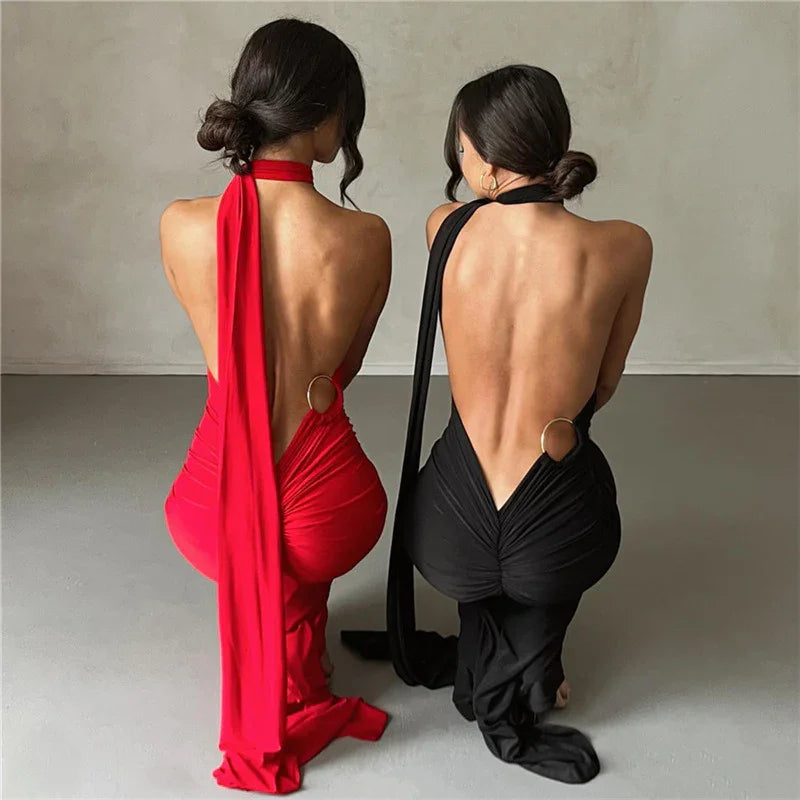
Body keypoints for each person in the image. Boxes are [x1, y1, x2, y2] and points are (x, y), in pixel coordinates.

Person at [343, 64, 652, 784]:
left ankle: (506, 651)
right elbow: (601, 387)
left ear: (479, 151)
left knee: (486, 565)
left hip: (444, 532)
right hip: (553, 543)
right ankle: (534, 666)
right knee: (574, 494)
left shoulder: (443, 226)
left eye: (460, 145)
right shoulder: (624, 246)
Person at [160, 19, 391, 794]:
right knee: (307, 535)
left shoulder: (180, 225)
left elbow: (220, 352)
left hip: (211, 514)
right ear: (327, 115)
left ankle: (283, 650)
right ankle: (300, 659)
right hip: (330, 509)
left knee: (258, 520)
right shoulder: (366, 237)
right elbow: (347, 367)